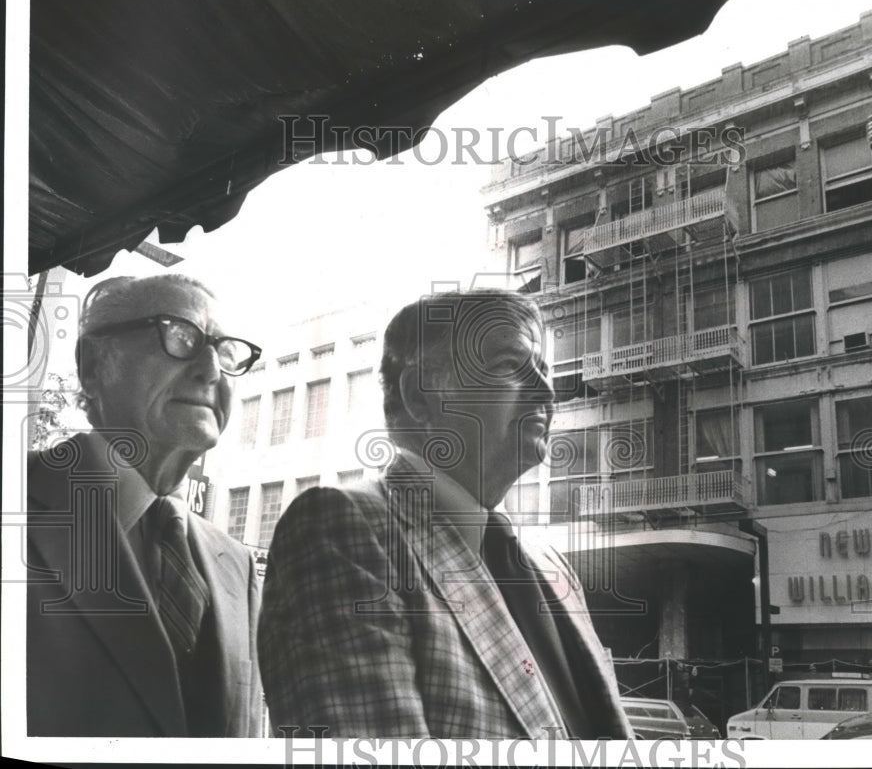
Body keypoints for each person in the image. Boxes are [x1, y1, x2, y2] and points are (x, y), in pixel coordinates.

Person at [258, 289, 632, 738]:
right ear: (421, 397)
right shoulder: (342, 528)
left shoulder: (555, 569)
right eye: (511, 366)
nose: (547, 390)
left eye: (544, 370)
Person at [25, 274, 265, 737]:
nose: (211, 370)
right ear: (93, 366)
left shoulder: (236, 565)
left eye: (227, 353)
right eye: (179, 336)